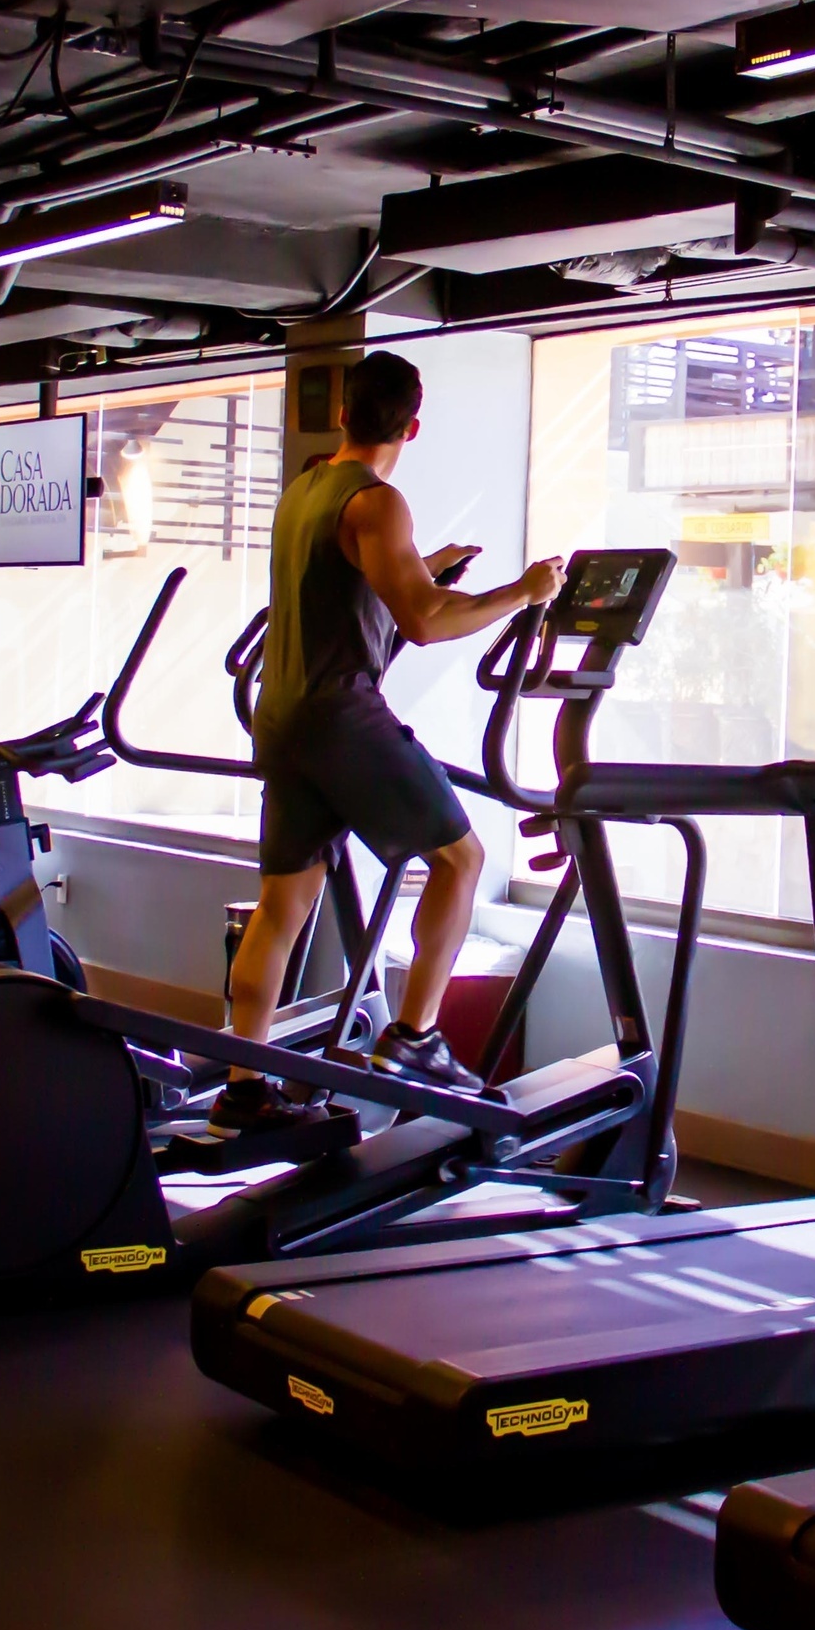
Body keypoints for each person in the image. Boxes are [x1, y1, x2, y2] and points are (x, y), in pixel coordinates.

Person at [214, 350, 561, 1117]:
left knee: (280, 908)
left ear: (342, 413)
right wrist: (523, 592)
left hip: (283, 718)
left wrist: (425, 563)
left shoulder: (306, 489)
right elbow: (426, 621)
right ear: (412, 424)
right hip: (342, 716)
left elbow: (351, 577)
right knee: (460, 859)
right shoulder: (378, 502)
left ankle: (243, 1089)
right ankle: (417, 1034)